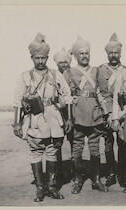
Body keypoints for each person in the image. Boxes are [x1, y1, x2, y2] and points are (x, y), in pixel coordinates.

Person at [13, 33, 71, 202]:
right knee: (35, 152)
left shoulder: (55, 74)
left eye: (43, 58)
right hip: (34, 119)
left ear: (47, 58)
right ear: (32, 57)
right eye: (37, 58)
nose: (40, 61)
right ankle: (40, 187)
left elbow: (67, 96)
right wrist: (16, 124)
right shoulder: (24, 76)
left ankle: (52, 187)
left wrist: (68, 119)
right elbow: (17, 101)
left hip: (53, 118)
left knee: (52, 150)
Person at [63, 36, 110, 194]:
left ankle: (96, 180)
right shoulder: (68, 72)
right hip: (77, 114)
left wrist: (107, 113)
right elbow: (63, 94)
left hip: (94, 114)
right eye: (81, 53)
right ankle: (77, 180)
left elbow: (104, 93)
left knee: (95, 148)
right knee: (77, 149)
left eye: (87, 53)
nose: (85, 56)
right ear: (75, 55)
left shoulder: (97, 71)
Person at [97, 33, 126, 191]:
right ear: (107, 54)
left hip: (122, 112)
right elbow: (98, 92)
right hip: (106, 112)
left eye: (116, 53)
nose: (114, 55)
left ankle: (123, 173)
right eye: (111, 53)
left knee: (122, 143)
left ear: (120, 54)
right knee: (108, 144)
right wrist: (108, 112)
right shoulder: (101, 70)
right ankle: (111, 172)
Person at [53, 48, 74, 185]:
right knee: (57, 143)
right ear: (56, 64)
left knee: (74, 141)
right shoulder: (52, 75)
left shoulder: (74, 74)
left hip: (72, 112)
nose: (64, 65)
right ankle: (58, 171)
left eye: (66, 62)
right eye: (61, 62)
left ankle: (74, 170)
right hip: (58, 113)